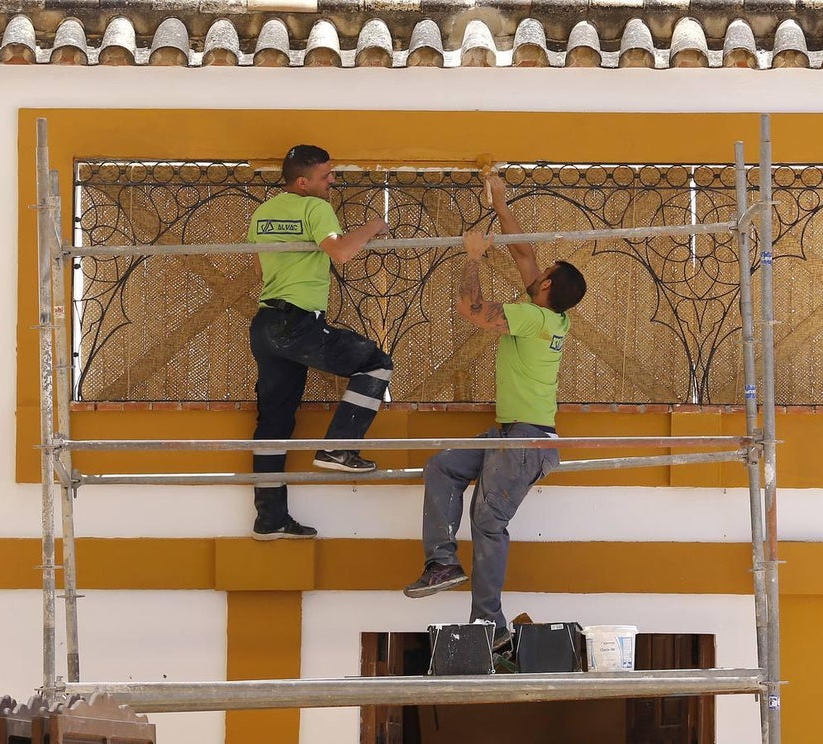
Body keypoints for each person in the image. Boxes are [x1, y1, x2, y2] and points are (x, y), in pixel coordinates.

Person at [403, 175, 588, 651]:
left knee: (488, 522)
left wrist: (472, 256)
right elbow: (524, 253)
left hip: (525, 440)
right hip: (513, 434)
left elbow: (472, 309)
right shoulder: (553, 315)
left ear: (546, 285)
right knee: (443, 466)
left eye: (544, 272)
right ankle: (443, 562)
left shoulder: (532, 316)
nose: (535, 269)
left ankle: (490, 625)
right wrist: (501, 203)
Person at [248, 144, 393, 541]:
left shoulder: (263, 213)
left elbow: (260, 267)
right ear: (302, 182)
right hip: (297, 322)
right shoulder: (316, 208)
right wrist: (374, 226)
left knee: (274, 424)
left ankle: (270, 519)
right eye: (326, 176)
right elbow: (341, 252)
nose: (333, 181)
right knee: (376, 363)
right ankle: (338, 448)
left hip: (266, 324)